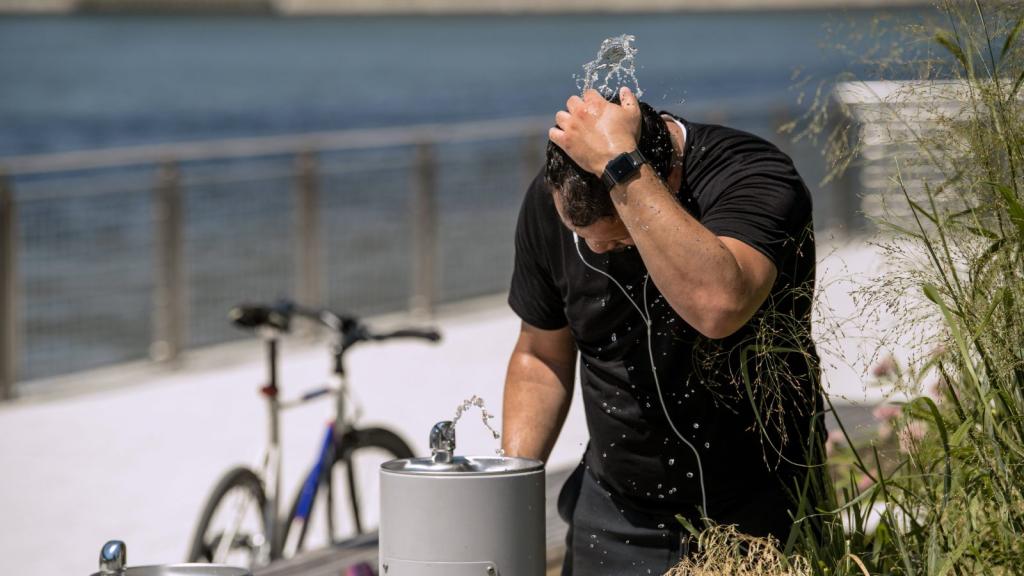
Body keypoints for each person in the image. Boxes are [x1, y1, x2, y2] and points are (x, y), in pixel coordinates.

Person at [501, 87, 825, 575]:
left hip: (760, 505)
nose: (598, 252)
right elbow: (541, 355)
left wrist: (621, 163)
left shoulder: (751, 174)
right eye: (584, 240)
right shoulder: (554, 204)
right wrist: (509, 484)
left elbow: (720, 305)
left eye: (614, 241)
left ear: (665, 177)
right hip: (616, 506)